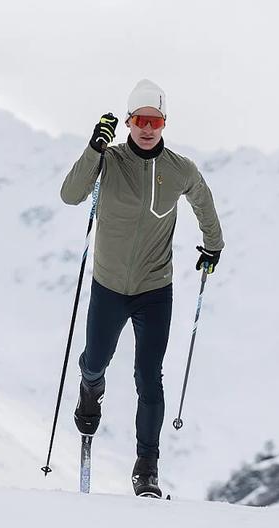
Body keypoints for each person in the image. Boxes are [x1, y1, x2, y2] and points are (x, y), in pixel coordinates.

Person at [59, 79, 225, 497]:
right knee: (95, 362)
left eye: (155, 120)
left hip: (155, 289)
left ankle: (147, 467)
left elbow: (203, 200)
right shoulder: (109, 161)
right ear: (129, 121)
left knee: (149, 378)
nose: (147, 128)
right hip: (109, 286)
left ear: (164, 122)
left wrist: (213, 245)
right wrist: (94, 148)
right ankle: (90, 389)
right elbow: (70, 195)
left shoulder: (179, 168)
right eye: (140, 120)